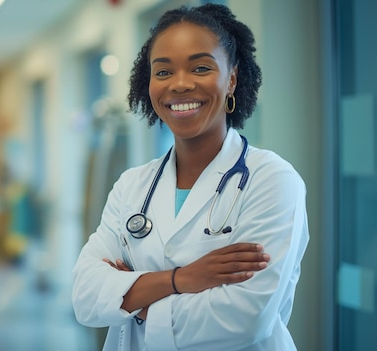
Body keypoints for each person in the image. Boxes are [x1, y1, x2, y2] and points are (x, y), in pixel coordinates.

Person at [71, 4, 309, 351]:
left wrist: (135, 304)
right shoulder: (132, 186)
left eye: (200, 67)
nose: (180, 85)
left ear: (232, 78)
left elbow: (243, 320)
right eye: (163, 72)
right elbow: (85, 298)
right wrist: (183, 279)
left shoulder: (272, 180)